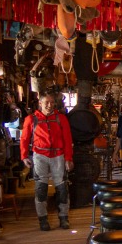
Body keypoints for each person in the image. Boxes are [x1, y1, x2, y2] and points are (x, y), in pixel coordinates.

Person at [21, 93, 74, 231]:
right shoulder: (31, 119)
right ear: (40, 103)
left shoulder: (61, 118)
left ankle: (64, 217)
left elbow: (68, 139)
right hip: (40, 156)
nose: (49, 105)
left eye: (51, 102)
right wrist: (24, 156)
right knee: (40, 189)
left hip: (58, 155)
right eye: (46, 102)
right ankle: (43, 219)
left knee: (62, 188)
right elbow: (25, 139)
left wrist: (68, 158)